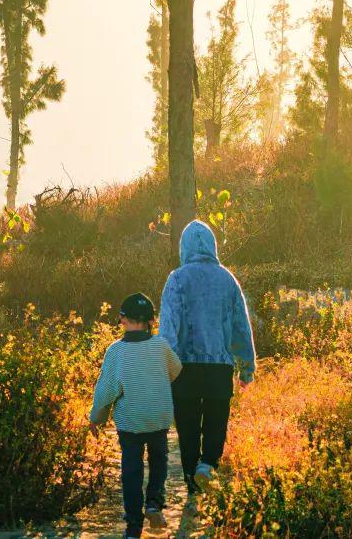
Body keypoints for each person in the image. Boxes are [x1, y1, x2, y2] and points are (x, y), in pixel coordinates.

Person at [159, 219, 257, 494]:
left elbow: (168, 327)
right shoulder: (227, 279)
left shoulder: (176, 279)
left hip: (185, 368)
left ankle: (192, 478)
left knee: (188, 426)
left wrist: (165, 367)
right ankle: (208, 464)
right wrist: (247, 368)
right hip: (219, 368)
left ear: (184, 247)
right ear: (213, 245)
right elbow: (241, 326)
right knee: (216, 421)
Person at [89, 292, 183, 539]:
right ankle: (154, 503)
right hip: (159, 416)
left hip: (130, 421)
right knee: (159, 461)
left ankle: (133, 525)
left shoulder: (116, 352)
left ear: (122, 319)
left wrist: (96, 418)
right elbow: (176, 369)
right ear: (152, 320)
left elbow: (105, 391)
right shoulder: (161, 346)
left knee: (131, 469)